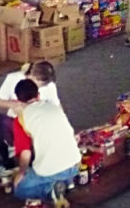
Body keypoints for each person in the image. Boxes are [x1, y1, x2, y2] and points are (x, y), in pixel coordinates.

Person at [11, 79, 80, 207]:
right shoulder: (54, 106)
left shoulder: (21, 120)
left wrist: (21, 174)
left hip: (51, 170)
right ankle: (66, 182)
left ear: (19, 101)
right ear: (38, 95)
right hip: (75, 165)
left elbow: (25, 154)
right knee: (58, 168)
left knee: (20, 189)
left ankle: (50, 191)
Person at [0, 61, 59, 144]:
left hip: (39, 126)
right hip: (17, 124)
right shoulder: (13, 78)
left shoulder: (49, 86)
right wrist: (13, 105)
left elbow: (56, 107)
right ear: (34, 77)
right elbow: (0, 101)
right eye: (41, 85)